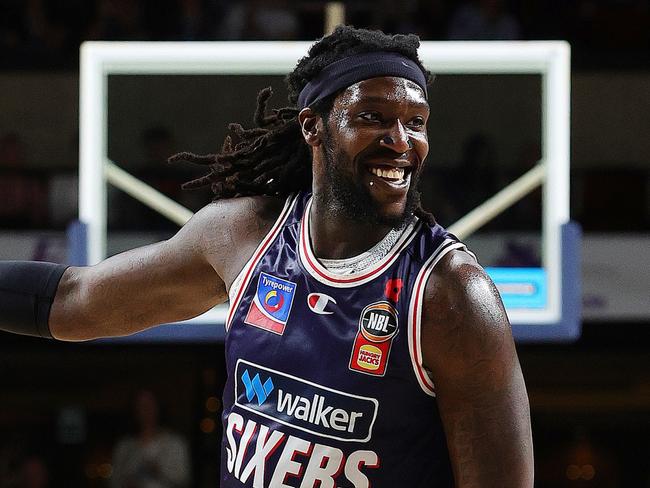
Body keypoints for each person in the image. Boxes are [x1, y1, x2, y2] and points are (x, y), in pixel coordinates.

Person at [0, 26, 533, 487]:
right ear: (312, 127)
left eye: (416, 122)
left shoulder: (451, 297)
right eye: (372, 117)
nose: (401, 141)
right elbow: (78, 301)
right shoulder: (244, 235)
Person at [111, 390, 191, 488]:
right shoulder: (124, 447)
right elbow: (114, 480)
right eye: (141, 405)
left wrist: (159, 470)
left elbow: (183, 479)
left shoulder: (175, 443)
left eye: (150, 404)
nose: (146, 410)